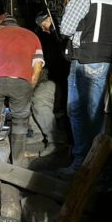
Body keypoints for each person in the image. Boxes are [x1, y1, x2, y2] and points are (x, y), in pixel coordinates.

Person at [58, 0, 112, 176]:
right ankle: (99, 164)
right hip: (104, 61)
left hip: (83, 59)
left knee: (76, 110)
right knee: (96, 112)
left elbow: (65, 29)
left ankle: (80, 162)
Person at [0, 13, 44, 167]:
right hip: (22, 82)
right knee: (20, 119)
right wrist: (29, 86)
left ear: (0, 25)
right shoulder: (32, 36)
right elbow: (37, 67)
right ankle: (18, 161)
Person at [27, 11, 68, 156]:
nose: (43, 26)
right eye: (41, 24)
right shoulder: (44, 36)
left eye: (45, 22)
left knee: (40, 102)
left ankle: (56, 141)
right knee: (29, 100)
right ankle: (38, 134)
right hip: (49, 76)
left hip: (54, 78)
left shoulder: (57, 35)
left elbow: (52, 61)